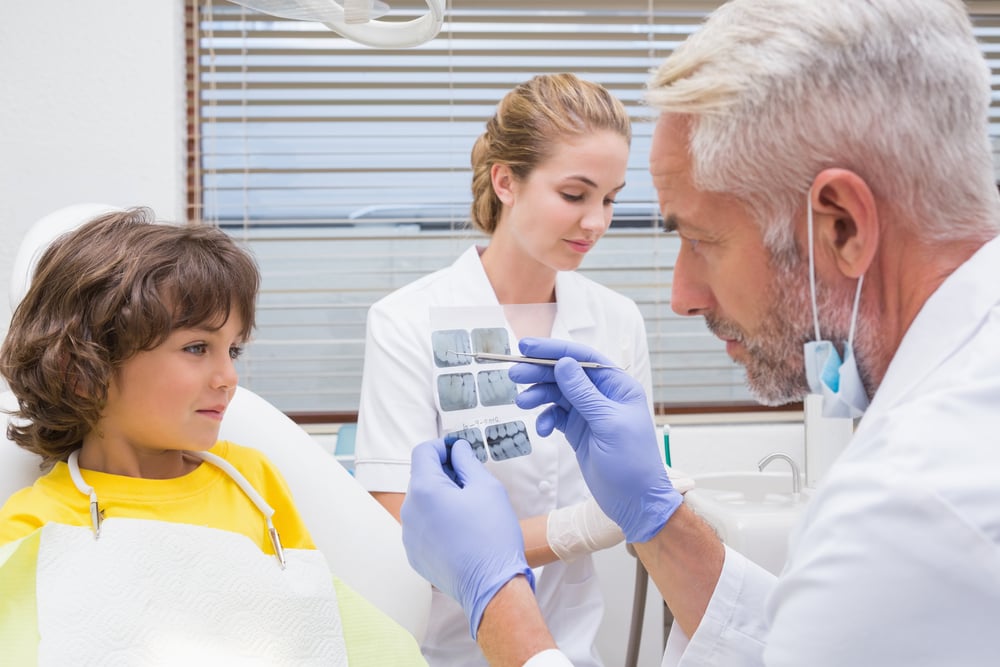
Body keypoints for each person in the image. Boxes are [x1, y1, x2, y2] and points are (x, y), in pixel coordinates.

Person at [398, 0, 1000, 665]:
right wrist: (655, 518)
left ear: (842, 226)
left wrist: (495, 591)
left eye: (700, 238)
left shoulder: (911, 507)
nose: (681, 296)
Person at [0, 208, 425, 665]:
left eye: (233, 349)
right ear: (83, 369)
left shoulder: (252, 483)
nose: (228, 377)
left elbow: (313, 622)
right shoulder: (36, 525)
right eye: (197, 348)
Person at [353, 72, 660, 666]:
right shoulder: (406, 320)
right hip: (443, 653)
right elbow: (402, 534)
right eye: (575, 195)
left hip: (573, 651)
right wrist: (582, 525)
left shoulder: (617, 321)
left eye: (611, 198)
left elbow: (642, 485)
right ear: (506, 181)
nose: (597, 221)